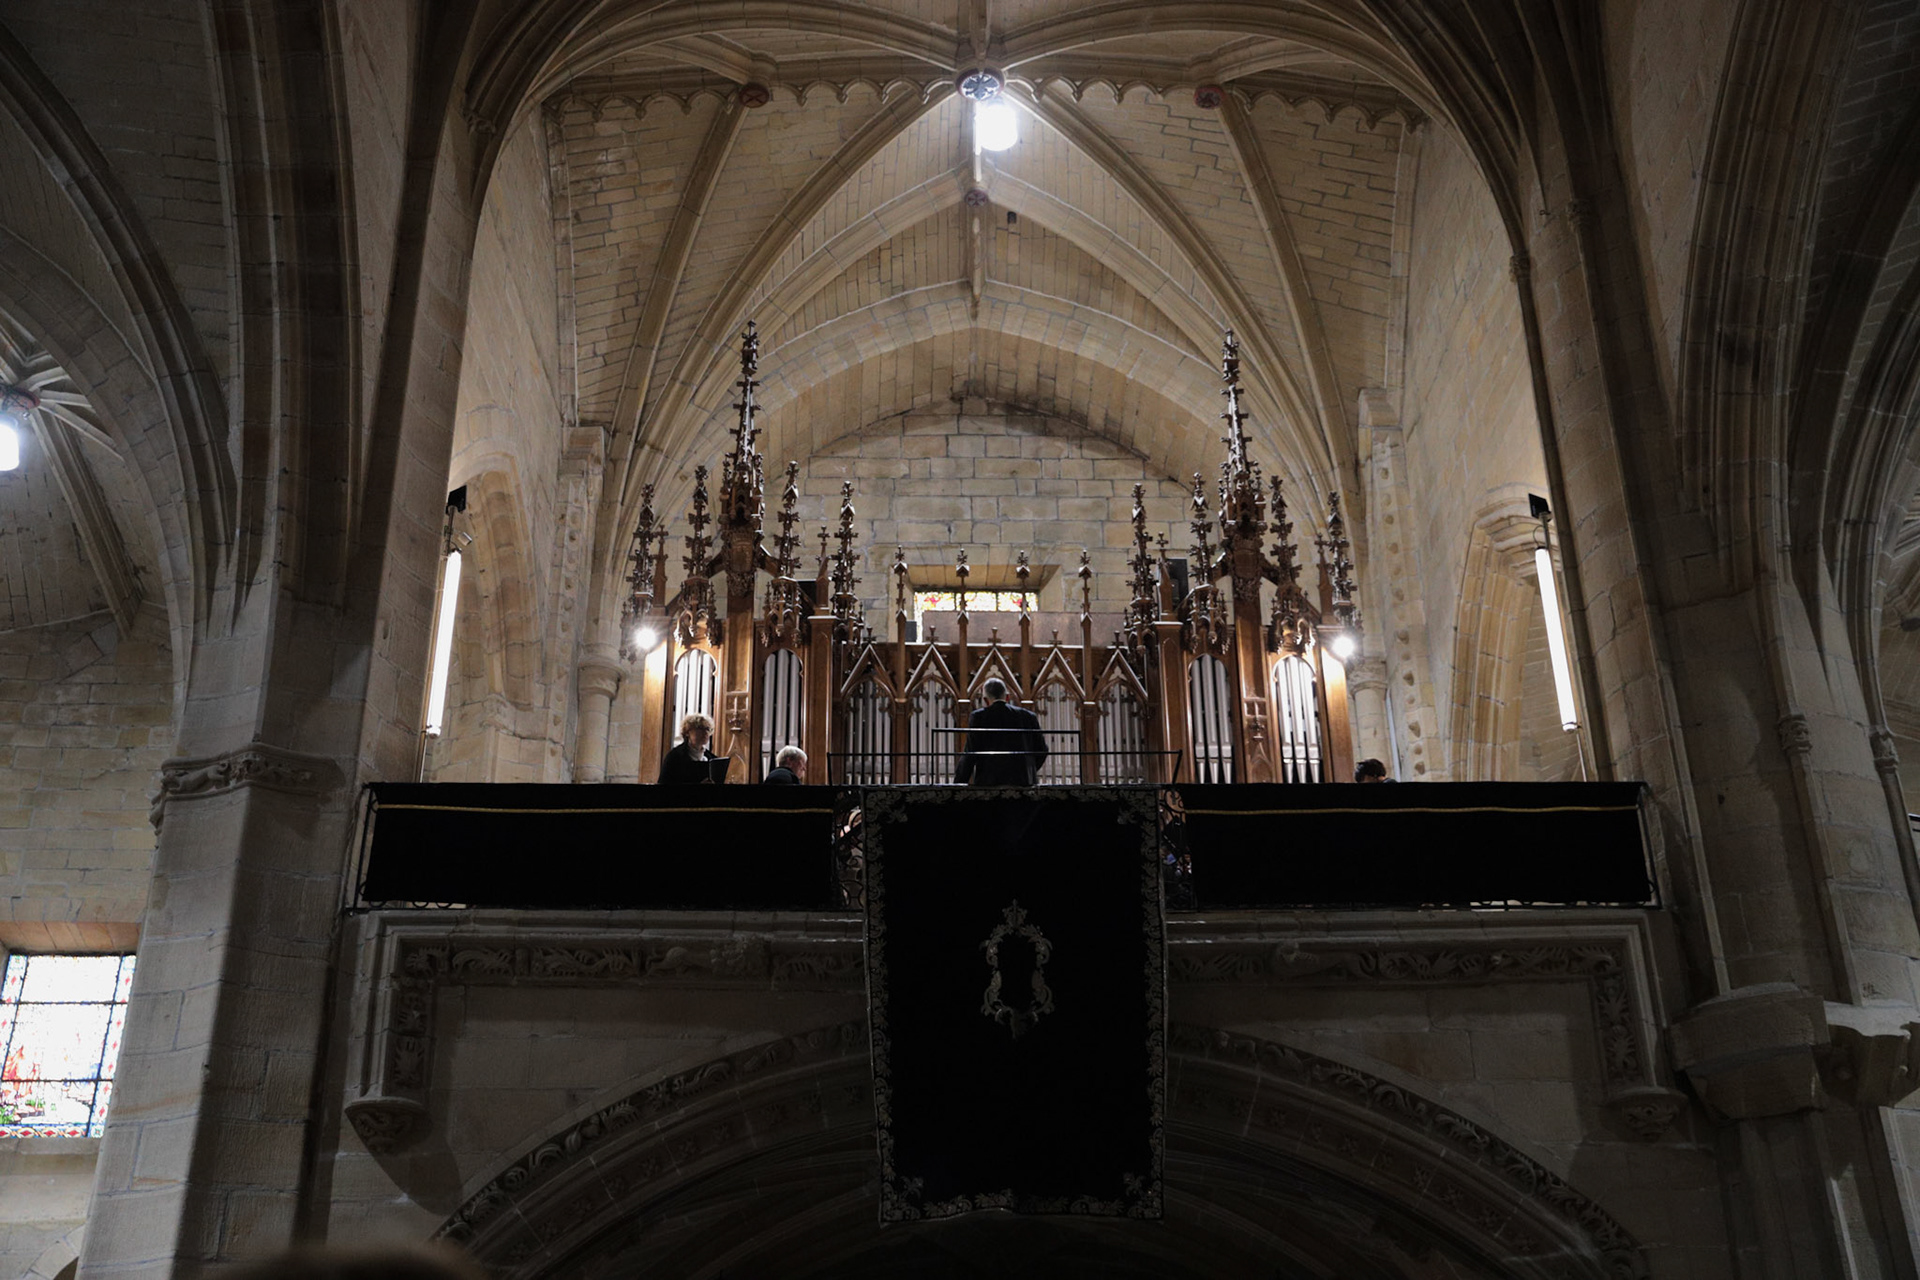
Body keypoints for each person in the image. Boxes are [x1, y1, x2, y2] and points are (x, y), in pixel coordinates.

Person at [956, 677, 1049, 785]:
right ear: (1007, 697)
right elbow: (1042, 749)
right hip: (1022, 782)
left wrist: (958, 784)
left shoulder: (979, 717)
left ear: (986, 700)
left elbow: (970, 753)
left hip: (990, 782)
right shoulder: (1028, 716)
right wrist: (1028, 769)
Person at [659, 713, 722, 784]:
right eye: (700, 728)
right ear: (687, 732)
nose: (705, 732)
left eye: (707, 729)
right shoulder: (674, 757)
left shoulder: (712, 759)